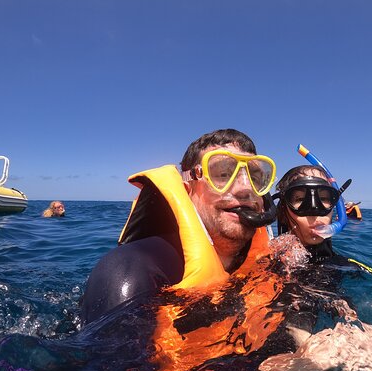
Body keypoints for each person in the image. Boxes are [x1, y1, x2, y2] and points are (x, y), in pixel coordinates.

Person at [81, 128, 277, 323]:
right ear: (187, 187)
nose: (245, 188)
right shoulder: (133, 270)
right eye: (223, 174)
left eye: (255, 177)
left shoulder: (272, 261)